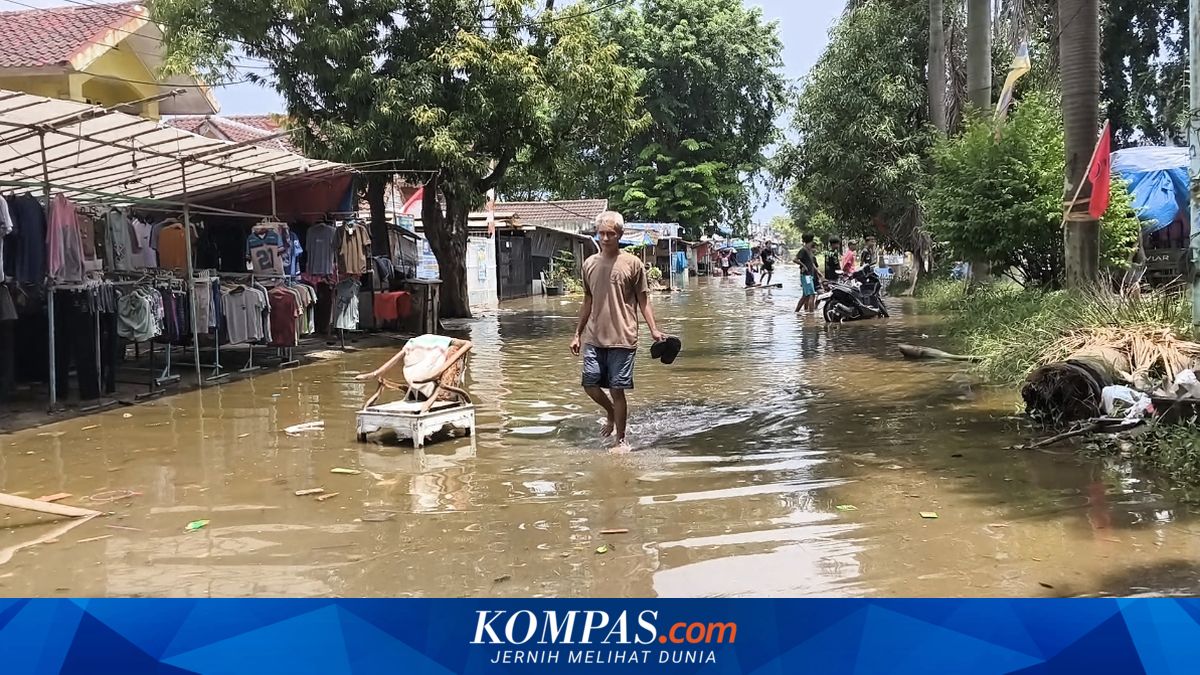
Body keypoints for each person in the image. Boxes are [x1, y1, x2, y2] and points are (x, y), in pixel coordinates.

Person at [571, 211, 666, 453]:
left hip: (623, 337)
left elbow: (644, 300)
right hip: (594, 337)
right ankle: (611, 412)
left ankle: (621, 440)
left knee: (617, 389)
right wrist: (577, 334)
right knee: (590, 385)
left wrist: (654, 329)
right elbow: (587, 300)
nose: (604, 238)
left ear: (620, 235)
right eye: (601, 233)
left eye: (610, 234)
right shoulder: (589, 264)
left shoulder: (633, 263)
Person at [793, 234, 821, 314]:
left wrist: (818, 273)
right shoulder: (803, 250)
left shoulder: (809, 251)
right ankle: (811, 314)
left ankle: (797, 312)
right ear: (811, 240)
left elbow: (812, 264)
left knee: (806, 295)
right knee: (812, 294)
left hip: (810, 275)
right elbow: (795, 260)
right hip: (806, 276)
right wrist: (803, 265)